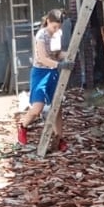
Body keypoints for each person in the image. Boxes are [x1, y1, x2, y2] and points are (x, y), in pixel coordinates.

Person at [16, 9, 72, 151]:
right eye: (54, 26)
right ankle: (23, 126)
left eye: (59, 27)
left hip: (53, 72)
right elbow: (42, 58)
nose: (56, 30)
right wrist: (59, 65)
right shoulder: (41, 35)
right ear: (48, 21)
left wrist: (69, 56)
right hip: (40, 72)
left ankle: (59, 138)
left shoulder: (57, 34)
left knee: (57, 107)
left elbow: (57, 53)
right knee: (37, 108)